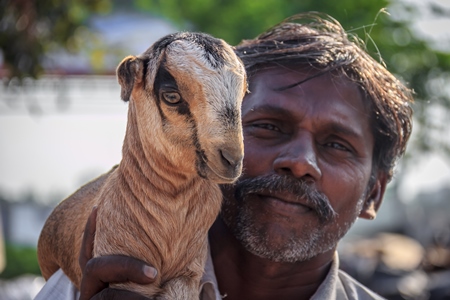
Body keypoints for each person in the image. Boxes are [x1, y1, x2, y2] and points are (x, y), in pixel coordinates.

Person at [35, 12, 414, 300]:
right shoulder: (89, 282)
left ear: (374, 193)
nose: (299, 162)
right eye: (268, 126)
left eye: (337, 145)